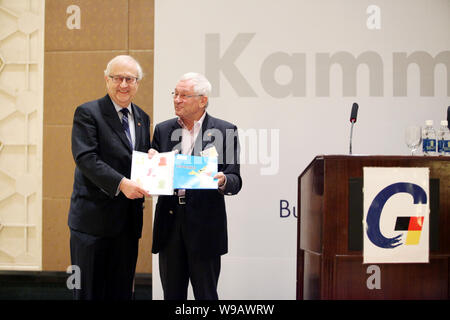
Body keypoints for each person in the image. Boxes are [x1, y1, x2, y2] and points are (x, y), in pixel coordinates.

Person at [150, 72, 242, 300]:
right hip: (170, 223)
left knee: (206, 295)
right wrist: (151, 168)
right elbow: (153, 179)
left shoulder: (224, 130)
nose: (177, 100)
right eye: (175, 94)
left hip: (205, 226)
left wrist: (222, 181)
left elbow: (235, 179)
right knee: (172, 295)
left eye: (184, 95)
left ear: (203, 100)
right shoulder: (163, 130)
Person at [68, 55, 151, 300]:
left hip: (127, 225)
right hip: (92, 226)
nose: (123, 84)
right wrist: (121, 184)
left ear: (137, 83)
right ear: (107, 80)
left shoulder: (142, 118)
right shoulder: (88, 112)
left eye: (130, 79)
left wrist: (152, 159)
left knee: (121, 292)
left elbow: (138, 160)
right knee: (89, 294)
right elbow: (86, 159)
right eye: (118, 78)